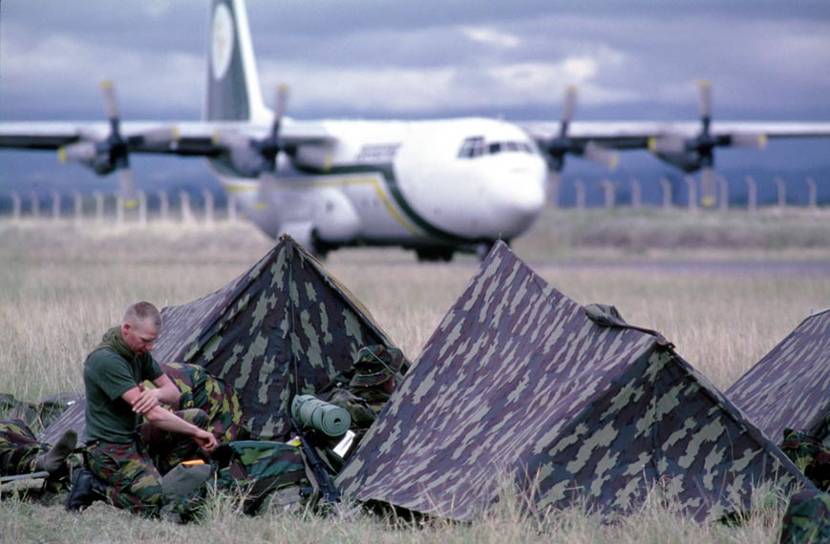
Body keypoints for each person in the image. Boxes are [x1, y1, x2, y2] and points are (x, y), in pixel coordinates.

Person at [81, 301, 218, 518]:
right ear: (127, 329)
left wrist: (154, 394)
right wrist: (197, 433)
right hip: (108, 448)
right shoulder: (105, 360)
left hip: (134, 437)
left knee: (197, 418)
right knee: (155, 503)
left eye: (154, 340)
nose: (151, 347)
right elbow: (153, 415)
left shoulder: (138, 352)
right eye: (146, 340)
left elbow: (173, 393)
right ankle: (94, 486)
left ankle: (157, 474)